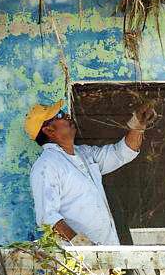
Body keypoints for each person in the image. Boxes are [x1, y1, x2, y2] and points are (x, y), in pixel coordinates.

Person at [25, 99, 155, 246]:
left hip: (107, 250)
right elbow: (47, 218)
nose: (67, 116)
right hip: (80, 260)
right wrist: (82, 245)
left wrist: (138, 125)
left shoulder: (84, 153)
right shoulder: (47, 165)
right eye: (60, 115)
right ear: (48, 130)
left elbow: (121, 153)